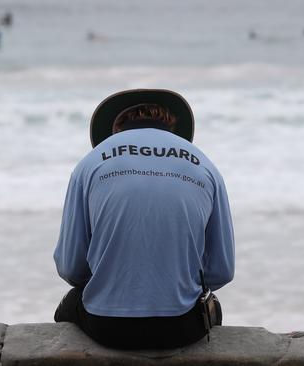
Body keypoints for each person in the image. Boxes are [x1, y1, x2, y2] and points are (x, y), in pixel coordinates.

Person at [53, 89, 235, 349]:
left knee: (71, 302)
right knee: (210, 306)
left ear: (116, 128)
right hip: (182, 327)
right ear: (171, 126)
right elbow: (221, 271)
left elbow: (71, 268)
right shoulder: (205, 167)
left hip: (106, 326)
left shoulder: (90, 164)